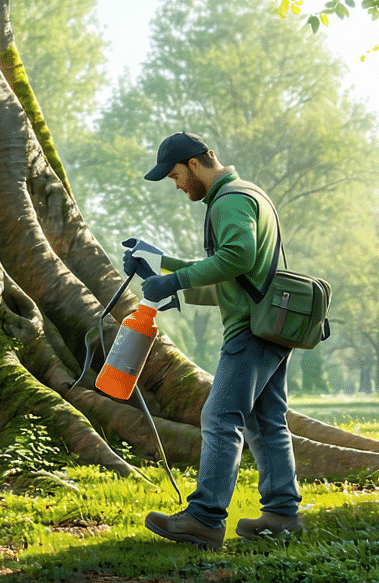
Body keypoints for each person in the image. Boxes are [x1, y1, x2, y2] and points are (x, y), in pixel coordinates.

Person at [131, 132, 303, 550]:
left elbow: (237, 257)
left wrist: (173, 280)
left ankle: (204, 518)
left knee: (220, 417)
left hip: (250, 329)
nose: (176, 185)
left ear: (194, 164)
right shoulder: (247, 194)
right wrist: (159, 265)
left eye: (175, 175)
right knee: (266, 421)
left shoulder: (228, 200)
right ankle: (283, 515)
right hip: (270, 326)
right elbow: (232, 277)